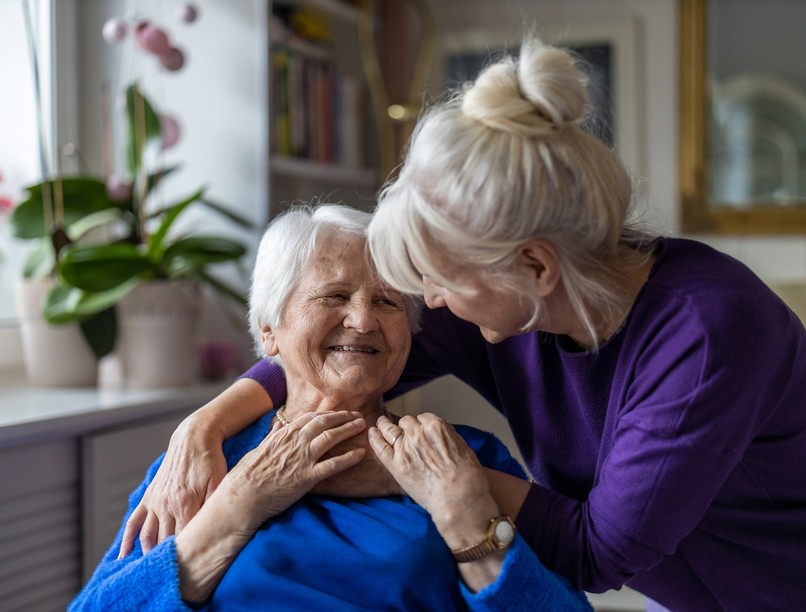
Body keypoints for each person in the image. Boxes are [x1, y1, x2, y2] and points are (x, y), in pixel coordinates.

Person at [121, 38, 806, 611]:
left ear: (535, 268)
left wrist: (439, 491)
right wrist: (204, 429)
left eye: (434, 283)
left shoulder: (706, 334)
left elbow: (598, 551)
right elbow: (338, 351)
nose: (428, 307)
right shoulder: (219, 466)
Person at [72, 204, 590, 611]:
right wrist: (236, 508)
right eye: (334, 296)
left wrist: (466, 519)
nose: (364, 320)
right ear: (269, 331)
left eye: (387, 302)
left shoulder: (459, 457)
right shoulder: (204, 464)